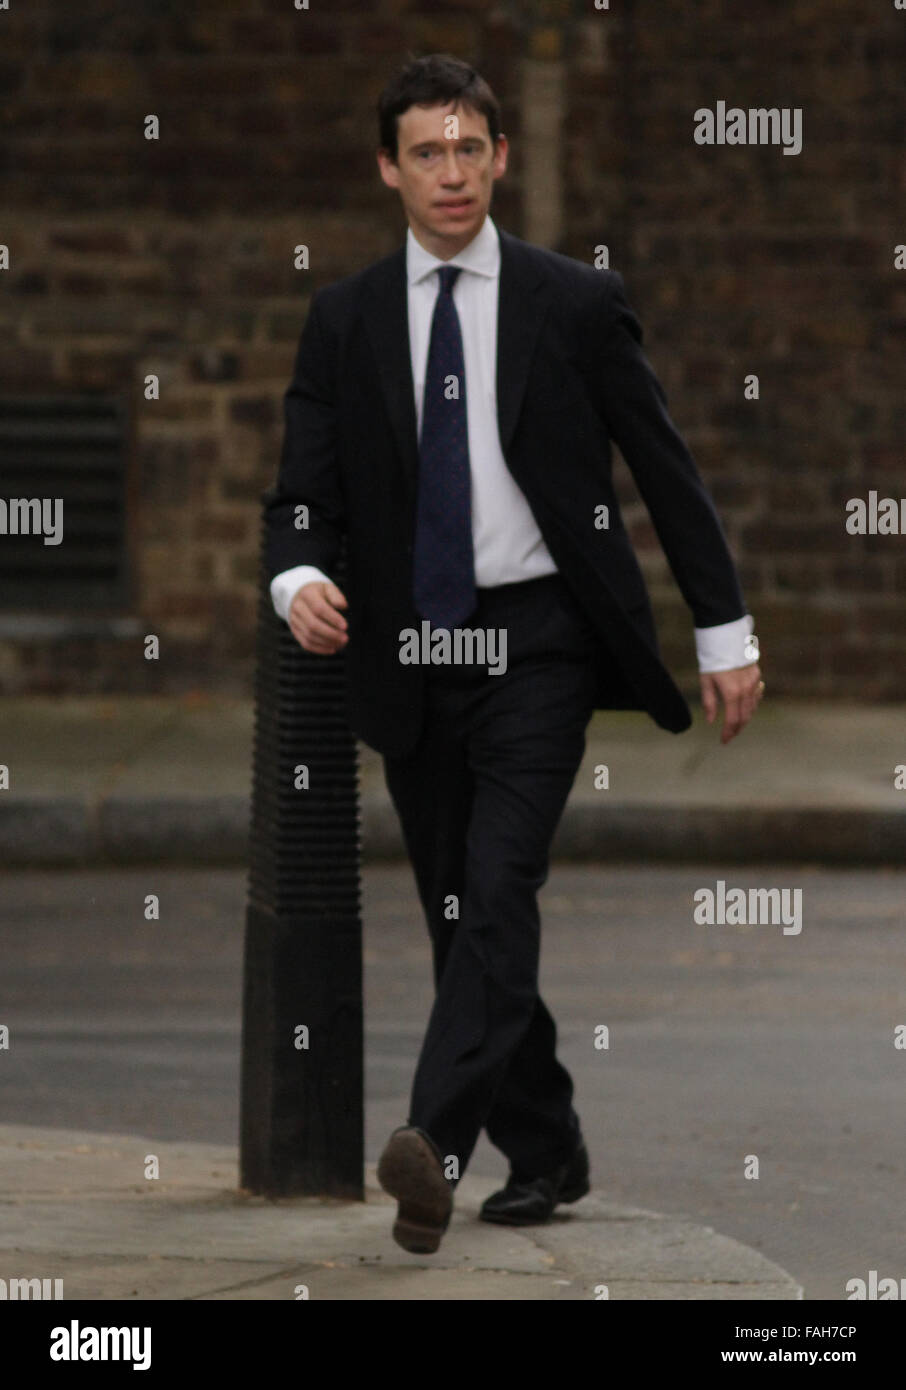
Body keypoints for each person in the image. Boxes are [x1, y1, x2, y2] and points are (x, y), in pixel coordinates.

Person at [263, 54, 764, 1255]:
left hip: (538, 640)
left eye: (470, 148)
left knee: (498, 890)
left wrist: (725, 630)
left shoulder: (570, 304)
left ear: (501, 158)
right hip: (411, 649)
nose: (452, 172)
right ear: (390, 167)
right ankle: (547, 1145)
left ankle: (434, 1145)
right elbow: (299, 496)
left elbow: (665, 468)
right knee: (461, 920)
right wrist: (297, 577)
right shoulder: (343, 321)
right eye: (427, 152)